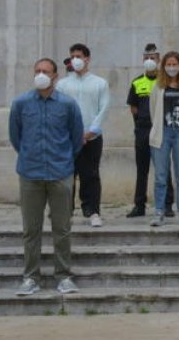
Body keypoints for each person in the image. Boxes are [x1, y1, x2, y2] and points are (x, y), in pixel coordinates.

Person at [8, 57, 84, 297]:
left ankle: (63, 275)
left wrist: (63, 159)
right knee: (31, 229)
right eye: (37, 70)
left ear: (55, 76)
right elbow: (15, 136)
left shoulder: (68, 105)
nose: (41, 74)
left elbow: (76, 137)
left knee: (62, 227)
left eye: (45, 71)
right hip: (30, 172)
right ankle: (31, 277)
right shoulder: (20, 104)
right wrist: (30, 155)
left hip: (60, 172)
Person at [56, 43, 111, 228]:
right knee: (66, 176)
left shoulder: (99, 83)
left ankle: (93, 211)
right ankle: (65, 211)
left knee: (91, 175)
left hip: (92, 138)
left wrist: (90, 131)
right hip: (67, 138)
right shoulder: (63, 84)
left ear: (87, 58)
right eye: (72, 56)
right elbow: (59, 110)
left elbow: (103, 108)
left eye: (78, 56)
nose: (75, 60)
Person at [125, 43, 173, 218]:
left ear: (159, 59)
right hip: (143, 129)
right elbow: (133, 107)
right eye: (146, 58)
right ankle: (139, 206)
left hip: (162, 129)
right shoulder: (137, 81)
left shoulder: (165, 81)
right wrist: (140, 124)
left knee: (163, 168)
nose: (149, 61)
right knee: (142, 169)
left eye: (152, 58)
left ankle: (167, 205)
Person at [149, 51, 179, 227]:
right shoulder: (158, 87)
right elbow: (154, 111)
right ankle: (159, 212)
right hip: (163, 133)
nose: (172, 68)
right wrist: (158, 128)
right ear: (163, 66)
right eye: (169, 64)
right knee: (160, 176)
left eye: (175, 64)